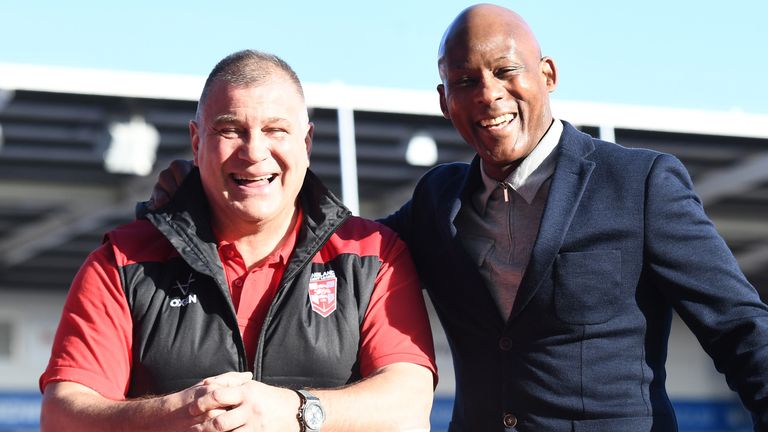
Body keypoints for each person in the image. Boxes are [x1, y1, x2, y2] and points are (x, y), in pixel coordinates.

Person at [146, 4, 768, 432]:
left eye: (506, 72)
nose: (489, 94)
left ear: (547, 76)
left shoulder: (641, 184)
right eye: (465, 80)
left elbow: (741, 330)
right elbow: (335, 245)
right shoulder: (436, 202)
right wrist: (213, 186)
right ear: (445, 102)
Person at [39, 49, 437, 432]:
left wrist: (298, 412)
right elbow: (62, 416)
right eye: (230, 130)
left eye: (275, 130)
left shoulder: (373, 254)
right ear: (197, 143)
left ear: (306, 143)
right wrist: (171, 415)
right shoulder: (122, 260)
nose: (254, 151)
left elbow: (409, 405)